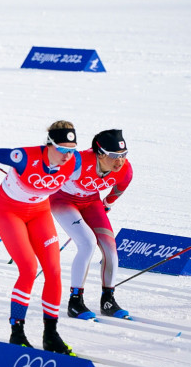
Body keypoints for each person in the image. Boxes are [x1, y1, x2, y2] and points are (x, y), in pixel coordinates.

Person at [0, 120, 81, 355]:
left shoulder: (73, 161)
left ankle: (51, 335)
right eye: (63, 150)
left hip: (39, 212)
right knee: (28, 268)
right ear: (49, 145)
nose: (67, 157)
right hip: (8, 212)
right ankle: (17, 332)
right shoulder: (23, 157)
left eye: (71, 150)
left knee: (54, 271)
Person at [50, 129, 133, 320]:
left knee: (111, 248)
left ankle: (108, 300)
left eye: (123, 155)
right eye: (114, 156)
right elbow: (49, 171)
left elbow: (118, 188)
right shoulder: (78, 162)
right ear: (100, 152)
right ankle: (75, 302)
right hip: (63, 201)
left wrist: (107, 204)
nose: (119, 161)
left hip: (91, 202)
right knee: (87, 243)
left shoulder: (125, 170)